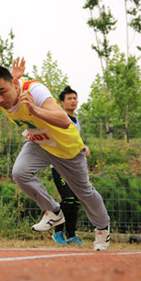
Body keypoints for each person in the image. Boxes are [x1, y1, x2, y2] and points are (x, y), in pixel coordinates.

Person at [0, 60, 110, 251]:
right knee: (20, 173)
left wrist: (35, 110)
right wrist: (12, 77)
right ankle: (54, 211)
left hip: (66, 148)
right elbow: (5, 87)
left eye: (2, 92)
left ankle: (102, 228)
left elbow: (64, 121)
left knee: (84, 192)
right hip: (40, 143)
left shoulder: (36, 91)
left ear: (15, 85)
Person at [50, 86, 90, 245]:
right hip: (60, 166)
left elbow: (75, 141)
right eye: (70, 99)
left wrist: (84, 147)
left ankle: (71, 235)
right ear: (61, 103)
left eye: (75, 98)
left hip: (74, 167)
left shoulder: (76, 120)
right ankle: (58, 232)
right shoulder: (60, 118)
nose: (73, 101)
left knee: (75, 199)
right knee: (67, 198)